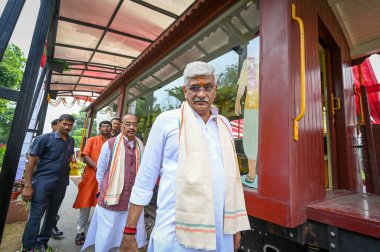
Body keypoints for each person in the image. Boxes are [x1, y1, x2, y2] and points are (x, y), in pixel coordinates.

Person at [120, 61, 250, 252]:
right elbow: (144, 180)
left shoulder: (224, 124)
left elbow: (230, 181)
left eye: (207, 87)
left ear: (215, 88)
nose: (201, 93)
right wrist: (129, 231)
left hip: (220, 232)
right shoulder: (166, 121)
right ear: (185, 90)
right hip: (176, 233)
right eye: (194, 87)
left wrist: (235, 228)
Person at [82, 114, 147, 251]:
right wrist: (103, 190)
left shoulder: (141, 146)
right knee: (106, 235)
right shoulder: (110, 144)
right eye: (127, 124)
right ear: (121, 126)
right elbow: (101, 171)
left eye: (134, 124)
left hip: (132, 200)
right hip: (111, 199)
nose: (131, 127)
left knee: (127, 234)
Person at [21, 114, 75, 252]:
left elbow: (68, 159)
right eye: (64, 124)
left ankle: (42, 243)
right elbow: (31, 162)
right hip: (42, 184)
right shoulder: (44, 139)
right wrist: (28, 186)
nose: (67, 127)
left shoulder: (71, 141)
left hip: (60, 185)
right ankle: (28, 247)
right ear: (58, 123)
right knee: (36, 216)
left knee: (52, 215)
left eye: (70, 125)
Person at [72, 120, 112, 245]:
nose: (105, 128)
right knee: (86, 204)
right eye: (103, 126)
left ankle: (98, 233)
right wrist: (98, 168)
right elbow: (85, 156)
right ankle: (80, 231)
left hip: (108, 178)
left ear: (111, 129)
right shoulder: (92, 140)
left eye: (108, 127)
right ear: (99, 128)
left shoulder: (113, 142)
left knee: (103, 207)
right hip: (91, 176)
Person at [235, 56, 260, 188]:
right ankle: (252, 173)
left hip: (256, 104)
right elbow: (244, 84)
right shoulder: (251, 61)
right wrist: (237, 100)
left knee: (252, 139)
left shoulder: (251, 60)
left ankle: (252, 174)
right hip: (254, 104)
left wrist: (238, 100)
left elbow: (243, 84)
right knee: (251, 139)